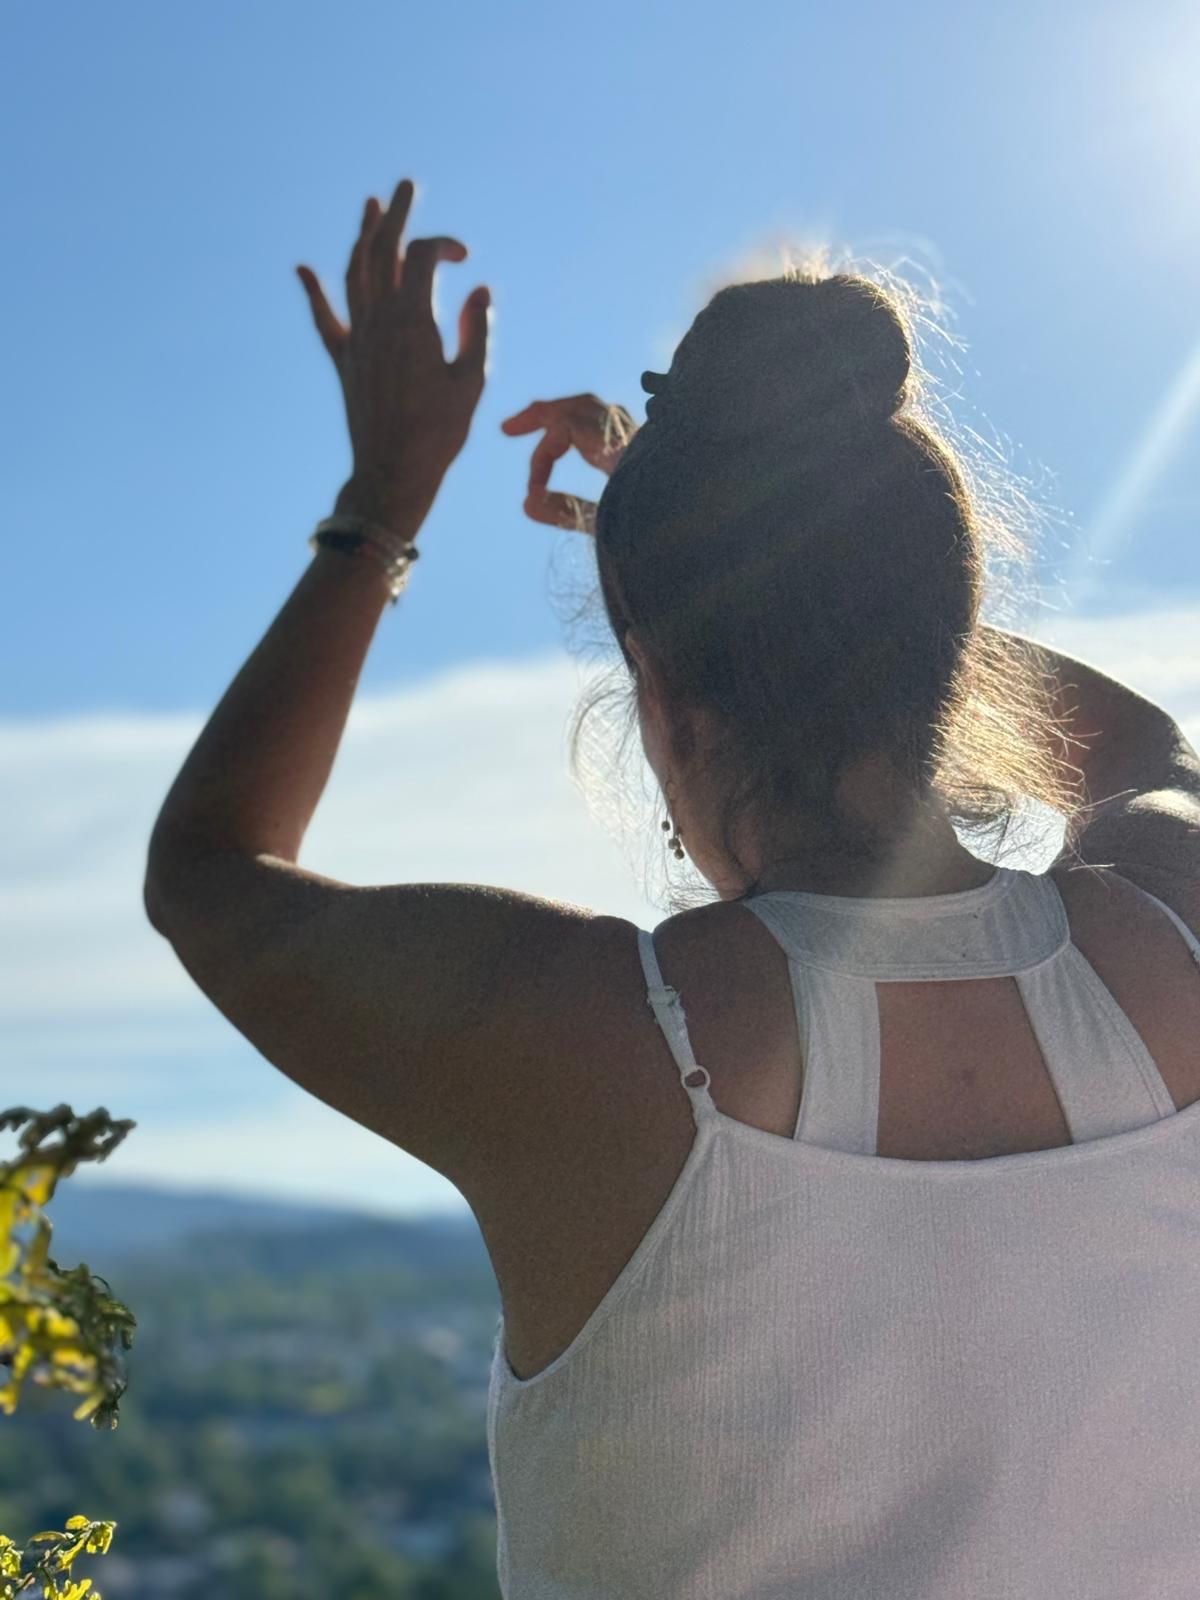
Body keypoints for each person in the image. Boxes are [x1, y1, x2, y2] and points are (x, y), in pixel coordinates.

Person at [145, 178, 1200, 1598]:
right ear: (939, 641)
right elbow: (1142, 747)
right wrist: (755, 562)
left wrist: (379, 509)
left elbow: (208, 870)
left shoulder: (602, 1048)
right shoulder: (1174, 941)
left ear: (660, 697)